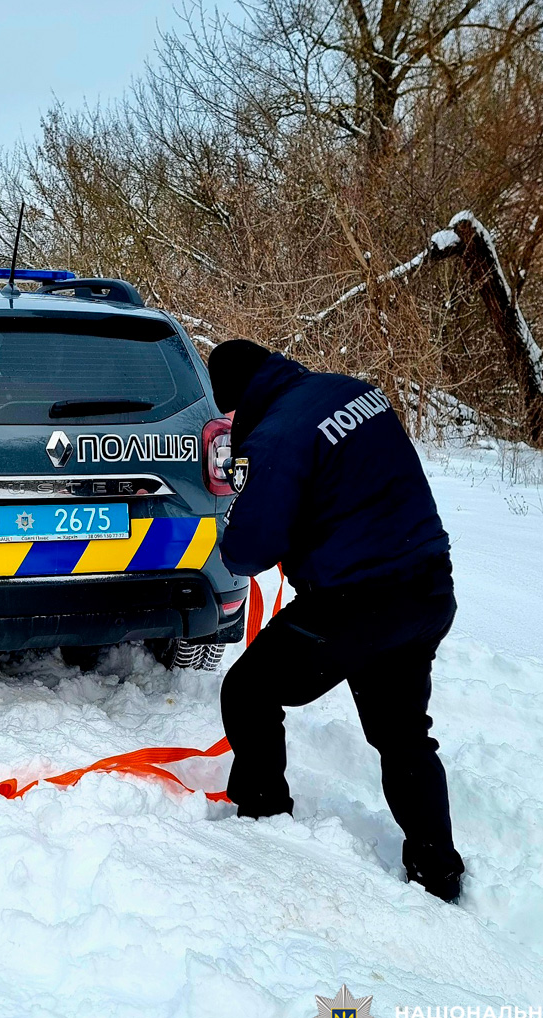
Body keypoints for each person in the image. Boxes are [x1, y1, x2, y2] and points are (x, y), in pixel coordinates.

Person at [208, 339, 465, 902]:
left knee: (248, 691)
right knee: (402, 733)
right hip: (427, 587)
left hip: (357, 604)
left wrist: (239, 514)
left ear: (234, 399)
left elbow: (248, 550)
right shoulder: (352, 391)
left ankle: (262, 818)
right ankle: (438, 867)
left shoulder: (273, 436)